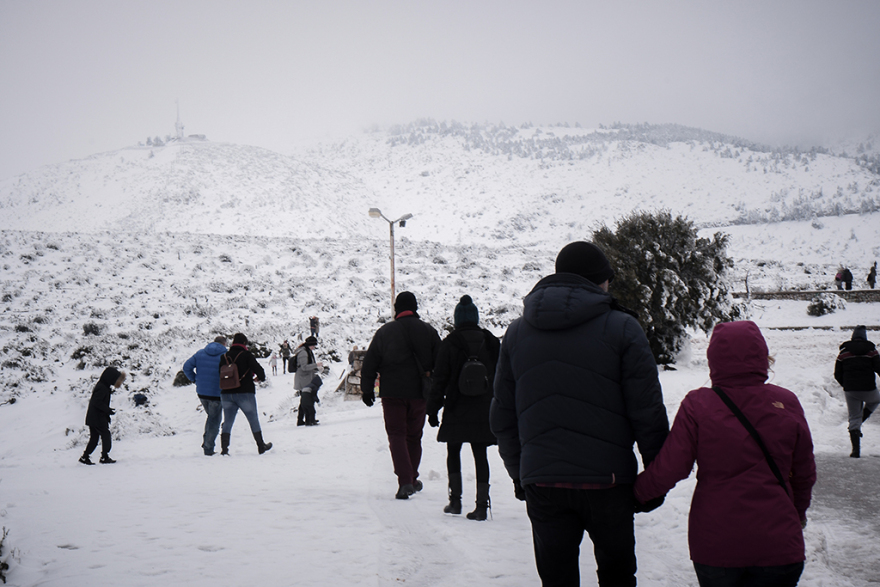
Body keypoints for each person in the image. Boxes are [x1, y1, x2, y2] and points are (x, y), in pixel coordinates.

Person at [491, 241, 669, 587]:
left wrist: (521, 475)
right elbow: (646, 412)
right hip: (609, 482)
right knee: (618, 577)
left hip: (543, 482)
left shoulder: (516, 332)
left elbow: (502, 418)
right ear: (598, 282)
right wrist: (654, 482)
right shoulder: (623, 328)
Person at [635, 321, 816, 587]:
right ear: (762, 356)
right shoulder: (786, 401)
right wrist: (796, 513)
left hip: (716, 544)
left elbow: (671, 467)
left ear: (713, 359)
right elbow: (804, 472)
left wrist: (634, 495)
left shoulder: (698, 404)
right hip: (778, 542)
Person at [427, 295, 500, 521]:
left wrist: (433, 409)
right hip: (483, 406)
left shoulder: (450, 342)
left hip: (457, 405)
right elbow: (502, 376)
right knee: (480, 454)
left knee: (453, 451)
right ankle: (481, 506)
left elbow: (440, 378)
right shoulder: (490, 341)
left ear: (457, 319)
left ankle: (455, 501)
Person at [362, 291, 441, 500]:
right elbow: (441, 363)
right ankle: (412, 478)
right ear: (415, 308)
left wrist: (367, 389)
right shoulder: (429, 331)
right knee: (414, 436)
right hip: (419, 394)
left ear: (397, 308)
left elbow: (370, 363)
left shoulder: (384, 332)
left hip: (392, 393)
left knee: (396, 435)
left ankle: (405, 481)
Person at [218, 333, 272, 455]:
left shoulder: (224, 357)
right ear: (244, 343)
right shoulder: (247, 355)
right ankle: (261, 446)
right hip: (245, 392)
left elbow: (219, 374)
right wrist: (258, 378)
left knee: (228, 421)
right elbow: (260, 372)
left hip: (226, 393)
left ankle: (224, 449)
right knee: (253, 419)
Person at [834, 325, 880, 458]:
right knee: (876, 400)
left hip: (850, 389)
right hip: (868, 388)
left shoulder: (843, 352)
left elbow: (837, 373)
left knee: (853, 417)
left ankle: (855, 451)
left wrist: (846, 385)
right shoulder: (871, 350)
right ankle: (861, 421)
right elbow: (878, 367)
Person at [182, 336, 228, 455]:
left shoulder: (200, 353)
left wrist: (195, 379)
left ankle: (206, 442)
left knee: (211, 417)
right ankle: (208, 447)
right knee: (214, 420)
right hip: (217, 392)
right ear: (224, 343)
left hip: (202, 392)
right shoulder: (226, 355)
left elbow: (186, 367)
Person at [79, 367, 126, 465]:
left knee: (94, 438)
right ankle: (104, 456)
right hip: (98, 417)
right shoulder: (102, 387)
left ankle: (85, 457)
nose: (116, 381)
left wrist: (107, 410)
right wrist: (107, 410)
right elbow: (97, 402)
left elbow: (97, 402)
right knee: (106, 435)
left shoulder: (103, 386)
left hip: (94, 417)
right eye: (115, 378)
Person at [294, 336, 323, 426]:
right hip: (304, 379)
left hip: (306, 378)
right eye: (313, 345)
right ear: (310, 344)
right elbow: (304, 367)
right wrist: (316, 365)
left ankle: (303, 420)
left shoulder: (307, 351)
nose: (314, 347)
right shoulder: (303, 353)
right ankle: (309, 420)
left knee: (304, 400)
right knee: (307, 400)